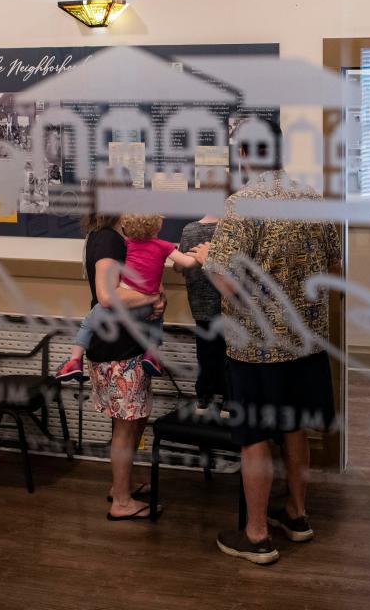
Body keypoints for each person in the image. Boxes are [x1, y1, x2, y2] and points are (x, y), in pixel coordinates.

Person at [192, 127, 342, 565]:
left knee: (255, 434)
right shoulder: (313, 199)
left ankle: (256, 535)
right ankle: (296, 516)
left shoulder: (241, 206)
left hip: (257, 348)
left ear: (242, 154)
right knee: (295, 425)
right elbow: (336, 267)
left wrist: (208, 265)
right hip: (308, 343)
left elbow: (223, 277)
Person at [81, 198, 166, 520]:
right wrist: (152, 297)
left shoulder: (117, 237)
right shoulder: (108, 238)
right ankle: (121, 501)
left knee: (134, 419)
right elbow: (107, 294)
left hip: (126, 343)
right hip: (116, 347)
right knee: (126, 425)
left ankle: (122, 485)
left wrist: (152, 298)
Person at [57, 213, 200, 381]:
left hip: (121, 329)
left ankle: (74, 359)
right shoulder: (115, 240)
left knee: (89, 321)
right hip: (130, 331)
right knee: (156, 321)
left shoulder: (128, 243)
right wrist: (201, 256)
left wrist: (155, 297)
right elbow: (108, 296)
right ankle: (152, 354)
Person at [175, 214, 226, 414]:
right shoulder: (231, 228)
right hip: (226, 302)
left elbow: (179, 266)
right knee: (227, 354)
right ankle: (229, 400)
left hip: (199, 303)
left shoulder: (190, 230)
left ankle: (204, 398)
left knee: (205, 353)